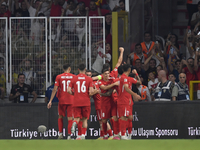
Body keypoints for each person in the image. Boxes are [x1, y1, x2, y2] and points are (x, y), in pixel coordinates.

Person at [47, 64, 75, 139]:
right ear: (69, 69)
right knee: (70, 118)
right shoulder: (73, 76)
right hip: (71, 100)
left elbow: (55, 89)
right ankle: (69, 135)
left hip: (62, 100)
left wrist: (50, 101)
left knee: (60, 117)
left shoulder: (59, 77)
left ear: (63, 69)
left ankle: (60, 134)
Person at [67, 63, 94, 140]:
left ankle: (74, 123)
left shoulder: (74, 78)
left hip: (76, 101)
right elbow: (91, 92)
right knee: (85, 119)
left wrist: (74, 94)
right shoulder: (89, 79)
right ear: (85, 70)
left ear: (78, 69)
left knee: (76, 118)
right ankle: (82, 135)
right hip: (85, 101)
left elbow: (68, 90)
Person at [118, 64, 141, 140]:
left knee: (130, 118)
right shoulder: (123, 78)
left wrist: (136, 74)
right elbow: (126, 89)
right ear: (129, 70)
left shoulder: (129, 78)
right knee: (123, 117)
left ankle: (129, 135)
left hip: (129, 101)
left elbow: (139, 82)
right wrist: (135, 94)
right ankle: (123, 134)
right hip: (123, 100)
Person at [98, 68, 119, 139]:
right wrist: (113, 84)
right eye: (105, 74)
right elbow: (104, 88)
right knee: (104, 120)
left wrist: (114, 87)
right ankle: (105, 135)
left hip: (112, 102)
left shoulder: (111, 80)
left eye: (108, 73)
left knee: (114, 118)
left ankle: (115, 134)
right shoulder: (100, 81)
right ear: (102, 75)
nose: (107, 75)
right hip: (104, 103)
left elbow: (111, 90)